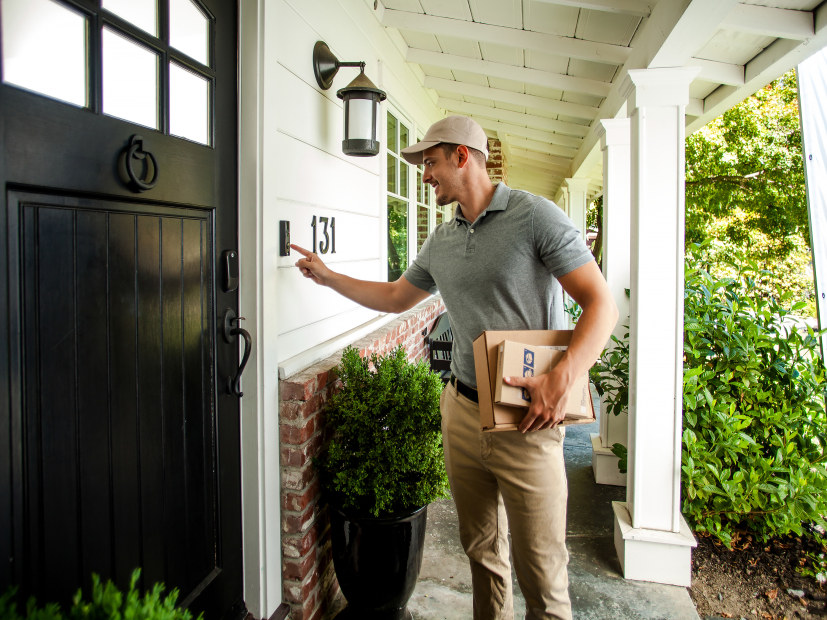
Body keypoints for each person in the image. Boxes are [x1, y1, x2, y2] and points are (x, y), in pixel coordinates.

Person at [292, 115, 618, 620]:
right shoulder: (441, 242)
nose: (425, 175)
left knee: (542, 572)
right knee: (483, 554)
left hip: (526, 419)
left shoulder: (536, 217)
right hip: (462, 412)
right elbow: (398, 297)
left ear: (463, 156)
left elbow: (601, 304)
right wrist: (329, 276)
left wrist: (566, 375)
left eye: (430, 162)